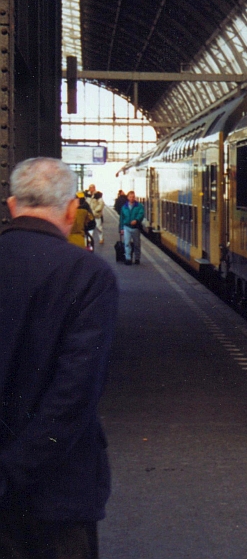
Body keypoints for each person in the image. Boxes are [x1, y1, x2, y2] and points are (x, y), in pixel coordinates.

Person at [0, 157, 118, 559]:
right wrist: (14, 471)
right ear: (71, 209)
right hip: (58, 491)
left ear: (12, 205)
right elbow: (75, 392)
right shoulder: (87, 273)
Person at [119, 190, 144, 265]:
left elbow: (141, 214)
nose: (132, 198)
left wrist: (136, 220)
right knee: (127, 243)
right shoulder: (124, 207)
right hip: (127, 227)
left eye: (133, 197)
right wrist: (121, 228)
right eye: (130, 197)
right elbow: (121, 218)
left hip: (136, 228)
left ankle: (137, 258)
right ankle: (128, 258)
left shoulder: (139, 206)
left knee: (137, 244)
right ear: (128, 198)